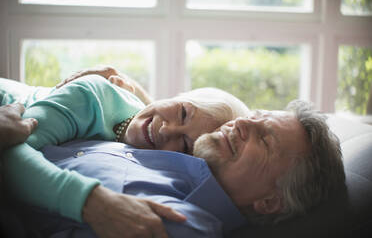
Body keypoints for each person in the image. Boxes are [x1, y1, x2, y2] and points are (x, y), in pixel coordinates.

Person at [13, 100, 345, 238]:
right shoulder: (163, 151)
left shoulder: (179, 226)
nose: (242, 122)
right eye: (254, 116)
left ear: (270, 201)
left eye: (265, 138)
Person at [0, 69, 250, 238]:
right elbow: (9, 154)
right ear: (176, 96)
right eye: (183, 112)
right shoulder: (94, 95)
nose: (166, 129)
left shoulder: (145, 154)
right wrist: (89, 201)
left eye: (184, 144)